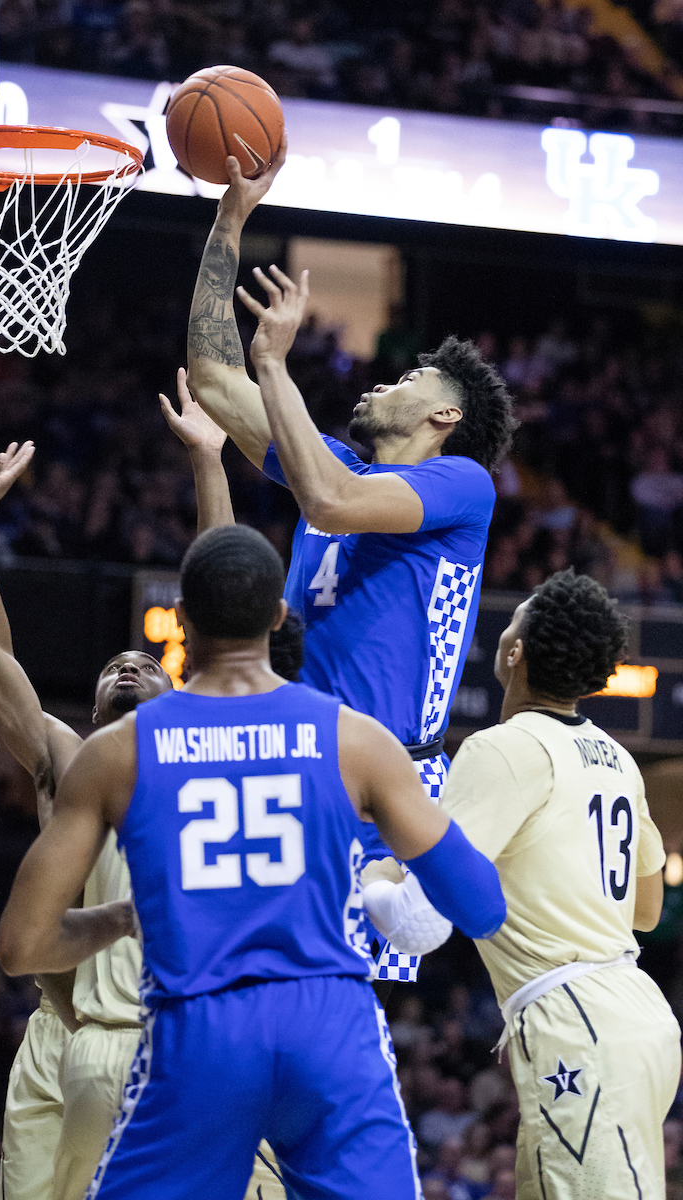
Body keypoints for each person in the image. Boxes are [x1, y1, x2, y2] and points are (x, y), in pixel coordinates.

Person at [0, 523, 507, 1200]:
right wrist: (387, 887)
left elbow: (21, 945)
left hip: (198, 1032)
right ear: (277, 617)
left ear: (180, 623)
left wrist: (119, 918)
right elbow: (480, 905)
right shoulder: (356, 740)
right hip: (331, 1031)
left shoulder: (118, 753)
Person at [185, 146, 518, 986]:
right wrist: (230, 219)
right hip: (289, 759)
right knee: (248, 992)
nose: (381, 382)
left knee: (334, 1014)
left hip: (384, 783)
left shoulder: (459, 485)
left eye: (407, 375)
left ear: (444, 412)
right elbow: (211, 378)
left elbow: (330, 501)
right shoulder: (328, 462)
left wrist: (276, 364)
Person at [0, 379, 239, 1200]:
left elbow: (222, 592)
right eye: (115, 666)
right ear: (89, 706)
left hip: (141, 1027)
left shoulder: (193, 742)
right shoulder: (67, 755)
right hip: (54, 1035)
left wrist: (207, 461)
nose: (127, 664)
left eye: (147, 663)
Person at [433, 570, 680, 1198]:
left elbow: (433, 894)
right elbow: (646, 910)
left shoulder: (501, 748)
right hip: (639, 1014)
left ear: (515, 652)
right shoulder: (618, 758)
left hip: (577, 1023)